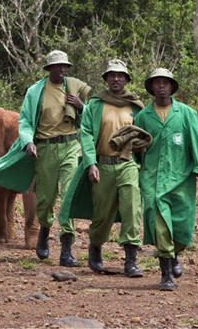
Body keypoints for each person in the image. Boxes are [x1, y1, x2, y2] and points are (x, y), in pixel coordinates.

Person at [0, 50, 90, 266]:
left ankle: (67, 249)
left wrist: (81, 106)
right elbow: (25, 121)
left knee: (68, 194)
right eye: (57, 66)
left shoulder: (74, 88)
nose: (62, 70)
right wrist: (28, 141)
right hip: (45, 148)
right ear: (49, 69)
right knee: (45, 197)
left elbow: (90, 119)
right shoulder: (35, 91)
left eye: (64, 66)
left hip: (70, 145)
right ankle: (44, 231)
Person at [59, 59, 150, 277]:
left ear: (127, 79)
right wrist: (90, 163)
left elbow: (145, 134)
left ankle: (130, 260)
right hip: (103, 165)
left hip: (128, 164)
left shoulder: (136, 106)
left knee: (132, 209)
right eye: (112, 75)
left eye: (120, 75)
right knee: (102, 213)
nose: (116, 79)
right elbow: (87, 134)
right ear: (106, 79)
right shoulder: (95, 105)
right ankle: (96, 247)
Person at [133, 67, 198, 291]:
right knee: (161, 224)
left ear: (172, 86)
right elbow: (136, 149)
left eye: (165, 82)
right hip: (153, 179)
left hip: (181, 177)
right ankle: (166, 274)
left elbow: (196, 143)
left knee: (183, 227)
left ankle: (175, 252)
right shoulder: (142, 116)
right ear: (151, 87)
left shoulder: (186, 113)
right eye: (157, 83)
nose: (161, 86)